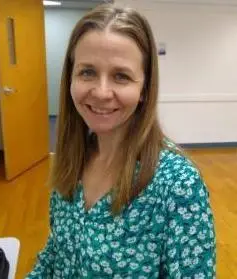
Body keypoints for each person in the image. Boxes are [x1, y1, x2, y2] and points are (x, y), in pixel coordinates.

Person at [26, 3, 216, 278]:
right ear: (71, 79)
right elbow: (58, 251)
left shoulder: (177, 185)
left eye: (121, 76)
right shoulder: (72, 160)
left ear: (143, 88)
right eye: (87, 72)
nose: (102, 92)